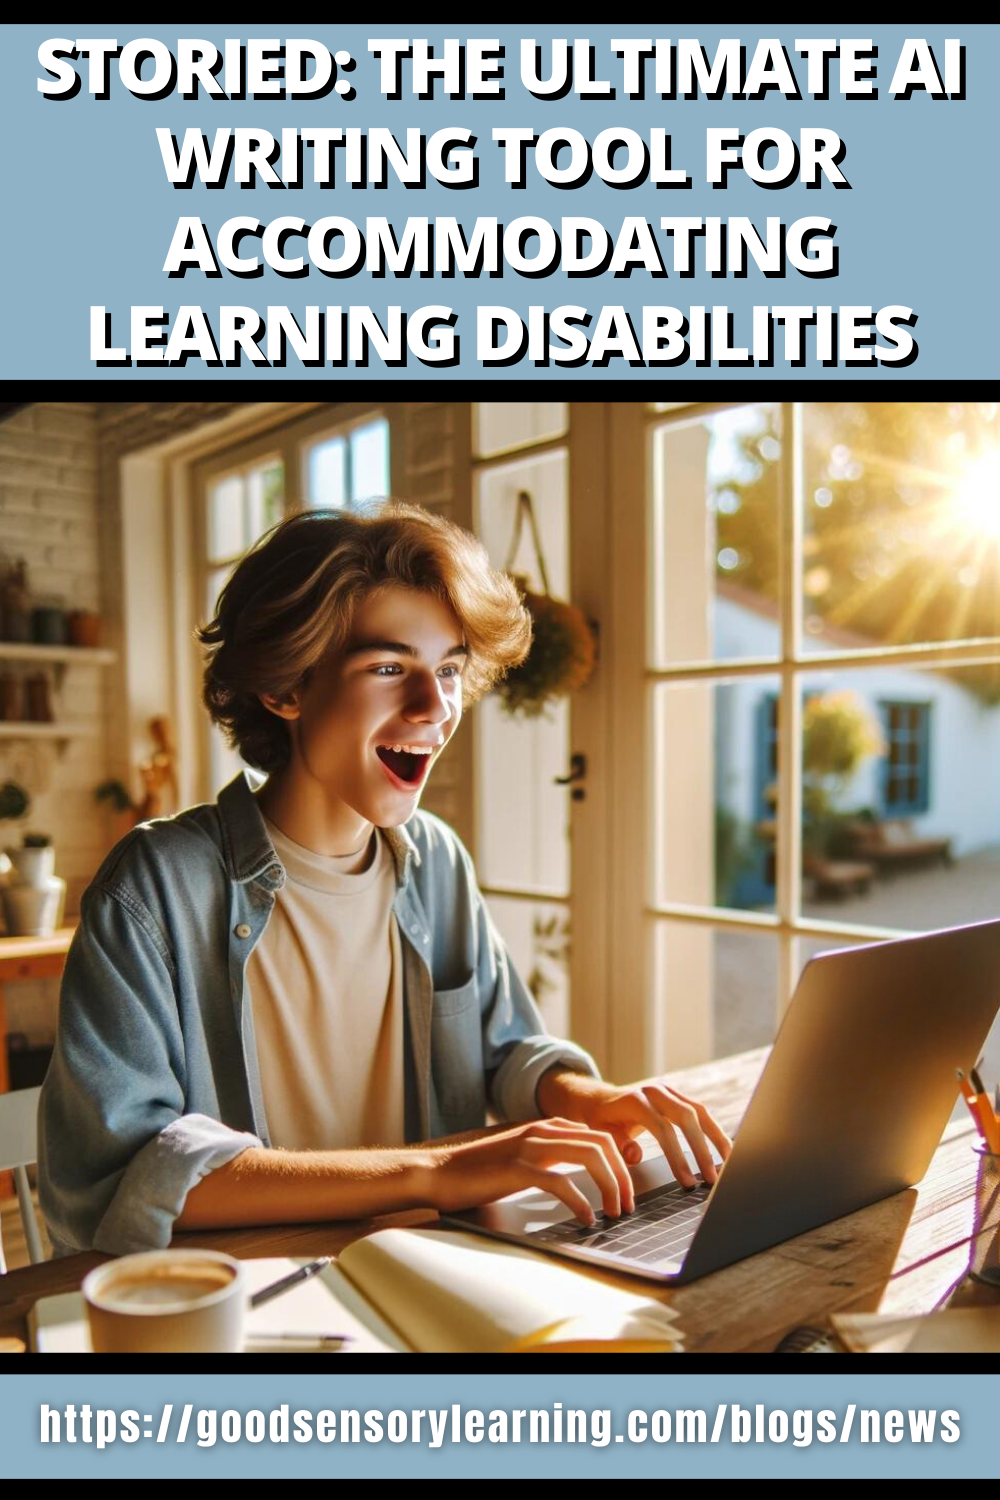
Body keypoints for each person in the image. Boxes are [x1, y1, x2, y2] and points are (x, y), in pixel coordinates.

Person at [39, 501, 730, 1255]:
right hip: (248, 1301)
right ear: (286, 687)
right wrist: (438, 1169)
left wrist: (593, 1099)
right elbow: (131, 1171)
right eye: (390, 668)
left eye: (450, 671)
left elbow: (503, 1051)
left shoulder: (436, 860)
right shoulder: (154, 887)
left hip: (426, 1265)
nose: (437, 708)